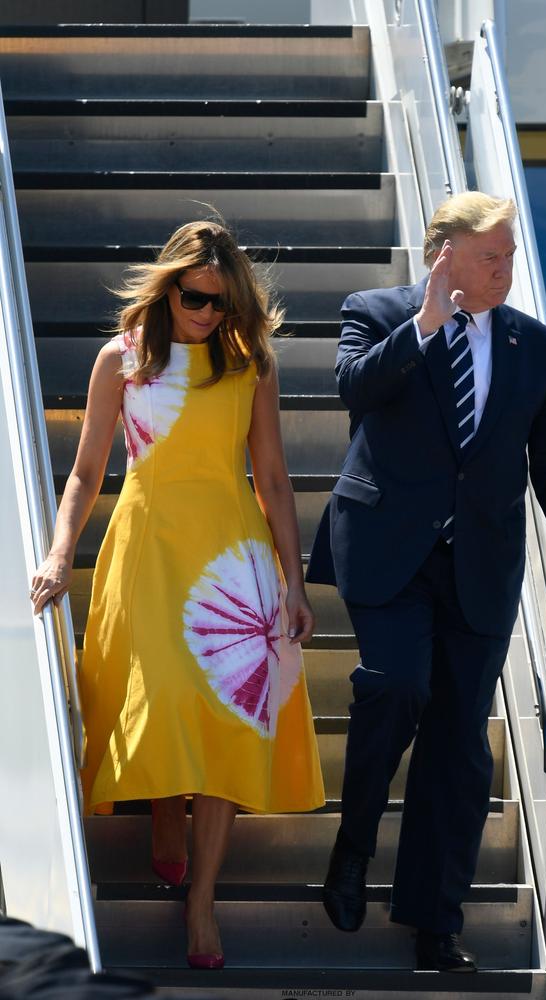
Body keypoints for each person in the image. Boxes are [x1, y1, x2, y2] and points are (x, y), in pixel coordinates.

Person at [306, 191, 546, 972]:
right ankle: (353, 842)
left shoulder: (534, 346)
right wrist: (426, 327)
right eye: (491, 256)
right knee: (397, 686)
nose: (506, 268)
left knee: (459, 744)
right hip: (386, 551)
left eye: (509, 255)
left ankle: (434, 920)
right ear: (444, 254)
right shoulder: (377, 312)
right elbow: (353, 390)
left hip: (480, 565)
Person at [30, 218, 325, 969]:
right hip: (148, 553)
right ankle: (165, 813)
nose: (210, 314)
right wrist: (61, 554)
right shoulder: (120, 360)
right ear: (169, 288)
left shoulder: (247, 361)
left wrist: (294, 581)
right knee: (160, 696)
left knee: (225, 722)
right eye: (197, 298)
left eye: (224, 304)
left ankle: (203, 905)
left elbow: (277, 478)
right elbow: (87, 472)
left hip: (232, 555)